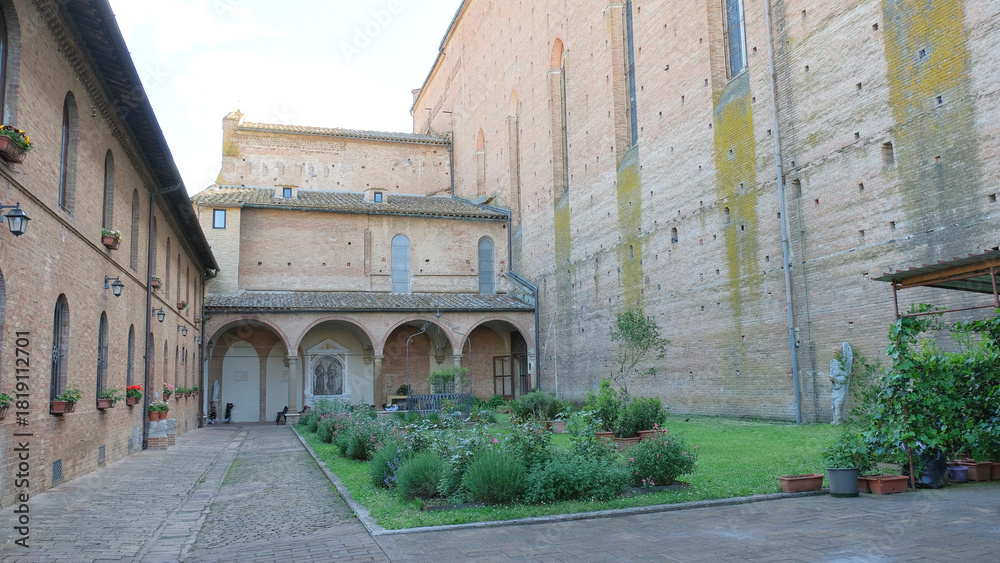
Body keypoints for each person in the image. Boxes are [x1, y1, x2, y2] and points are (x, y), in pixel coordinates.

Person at [829, 341, 853, 425]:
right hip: (834, 387)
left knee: (838, 403)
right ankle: (837, 419)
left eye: (835, 352)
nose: (834, 354)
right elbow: (831, 373)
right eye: (833, 352)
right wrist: (831, 377)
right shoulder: (832, 362)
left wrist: (835, 379)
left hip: (841, 387)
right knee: (833, 404)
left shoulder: (844, 363)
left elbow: (845, 376)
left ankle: (839, 420)